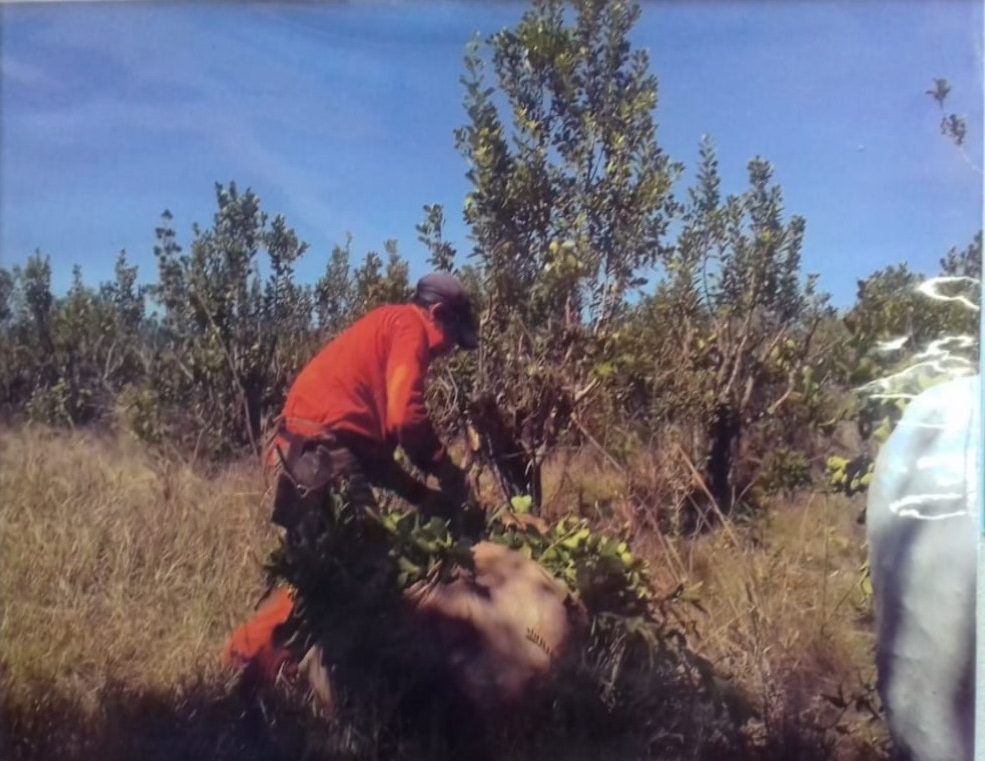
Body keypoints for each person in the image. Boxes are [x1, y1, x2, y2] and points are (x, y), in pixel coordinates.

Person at [224, 272, 480, 681]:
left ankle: (262, 667)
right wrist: (445, 471)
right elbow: (406, 419)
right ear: (438, 313)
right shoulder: (408, 327)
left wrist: (422, 496)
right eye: (452, 339)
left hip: (306, 447)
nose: (447, 352)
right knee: (366, 567)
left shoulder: (385, 330)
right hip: (317, 451)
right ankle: (264, 665)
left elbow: (368, 454)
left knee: (321, 575)